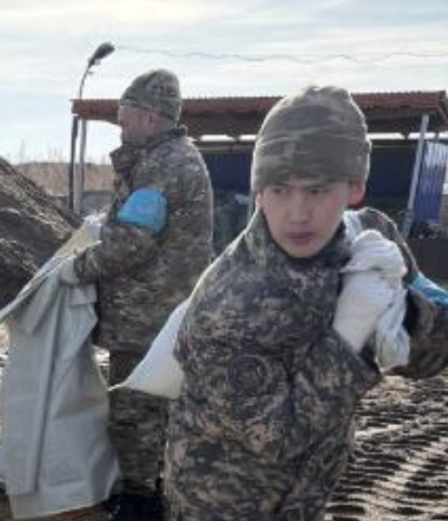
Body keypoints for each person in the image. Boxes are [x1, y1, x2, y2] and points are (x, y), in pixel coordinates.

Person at [165, 86, 448, 520]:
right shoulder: (228, 303)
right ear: (259, 192)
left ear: (354, 187)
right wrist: (351, 334)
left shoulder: (370, 238)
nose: (297, 213)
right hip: (221, 500)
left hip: (309, 491)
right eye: (280, 189)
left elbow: (427, 360)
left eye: (317, 190)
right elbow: (279, 436)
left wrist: (406, 312)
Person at [57, 69, 213, 519]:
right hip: (161, 312)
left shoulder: (163, 166)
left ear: (148, 117)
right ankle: (151, 490)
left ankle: (140, 501)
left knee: (134, 409)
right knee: (157, 408)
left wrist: (77, 268)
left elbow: (132, 242)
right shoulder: (174, 158)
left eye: (125, 120)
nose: (121, 128)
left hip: (147, 316)